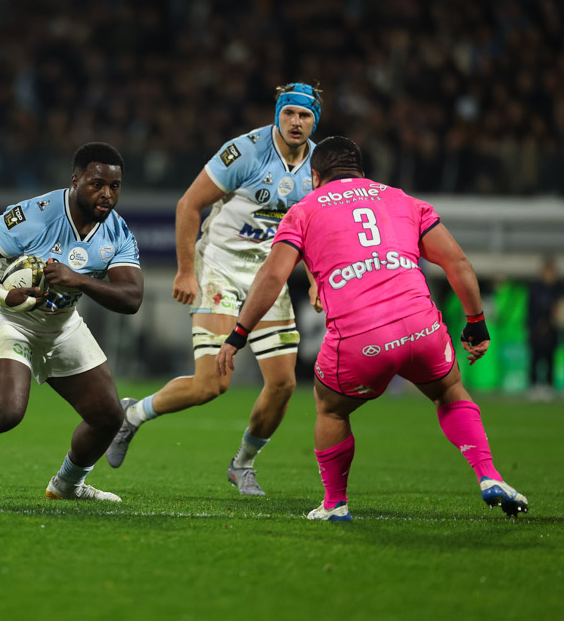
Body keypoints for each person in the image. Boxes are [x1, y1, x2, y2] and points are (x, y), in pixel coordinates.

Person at [215, 136, 528, 520]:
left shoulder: (304, 209)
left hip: (362, 339)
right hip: (421, 328)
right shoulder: (402, 199)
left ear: (315, 176)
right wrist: (476, 325)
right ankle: (489, 475)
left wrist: (239, 333)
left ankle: (335, 504)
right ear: (361, 171)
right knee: (448, 391)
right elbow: (457, 262)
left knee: (331, 409)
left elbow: (272, 276)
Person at [106, 82, 322, 496]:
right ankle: (132, 417)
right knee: (212, 385)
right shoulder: (244, 152)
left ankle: (243, 464)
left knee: (283, 385)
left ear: (316, 121)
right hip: (219, 269)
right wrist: (186, 270)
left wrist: (315, 279)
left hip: (268, 278)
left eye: (305, 116)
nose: (296, 122)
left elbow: (314, 230)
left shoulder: (317, 166)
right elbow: (189, 204)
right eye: (290, 113)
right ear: (278, 112)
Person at [0, 142, 143, 501]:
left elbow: (132, 297)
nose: (107, 195)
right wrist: (2, 293)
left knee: (109, 418)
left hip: (61, 325)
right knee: (6, 413)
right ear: (75, 180)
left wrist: (79, 280)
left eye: (115, 186)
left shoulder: (117, 231)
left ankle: (67, 485)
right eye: (97, 184)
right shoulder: (37, 214)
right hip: (7, 316)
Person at [527, 256, 563, 399]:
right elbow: (530, 310)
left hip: (552, 329)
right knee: (535, 357)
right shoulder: (535, 289)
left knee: (550, 358)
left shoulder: (559, 289)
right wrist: (535, 325)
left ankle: (548, 385)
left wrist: (551, 322)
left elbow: (559, 310)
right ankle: (534, 385)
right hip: (536, 329)